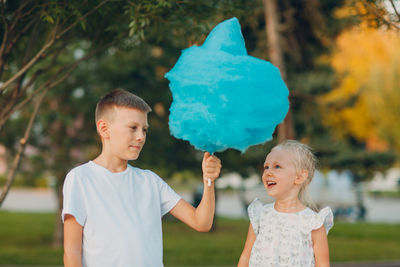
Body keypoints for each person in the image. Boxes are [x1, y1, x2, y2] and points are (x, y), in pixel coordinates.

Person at [62, 89, 222, 267]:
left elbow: (201, 222)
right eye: (133, 128)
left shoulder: (150, 181)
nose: (141, 137)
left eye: (144, 130)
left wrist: (209, 180)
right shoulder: (81, 179)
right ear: (104, 128)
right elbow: (72, 252)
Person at [238, 140, 333, 267]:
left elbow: (322, 264)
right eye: (266, 167)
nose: (268, 172)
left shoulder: (312, 223)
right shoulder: (261, 215)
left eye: (277, 166)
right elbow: (246, 256)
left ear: (299, 177)